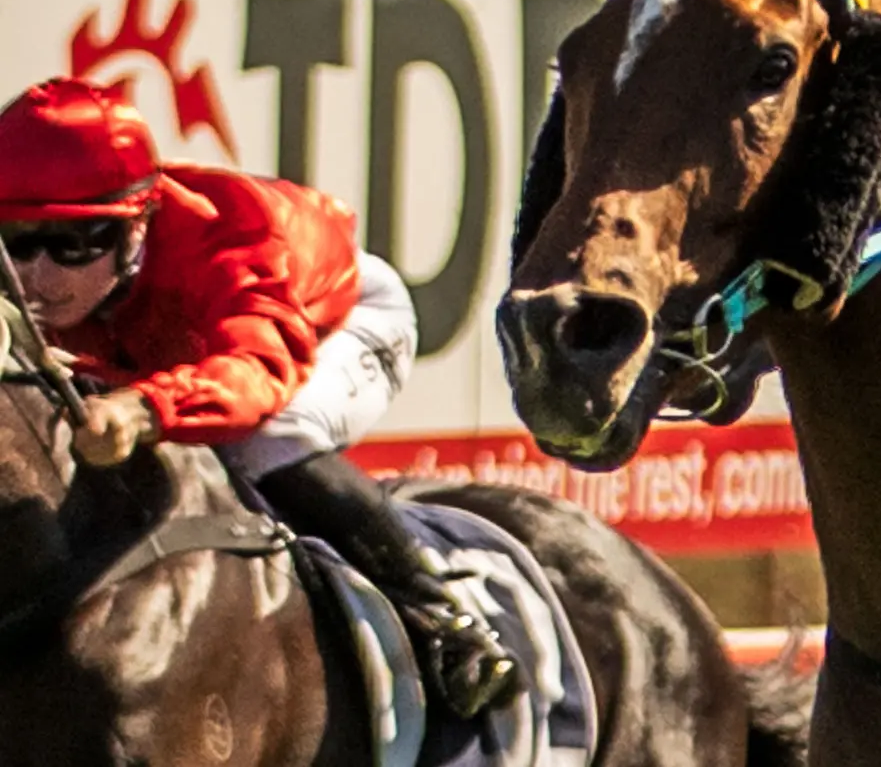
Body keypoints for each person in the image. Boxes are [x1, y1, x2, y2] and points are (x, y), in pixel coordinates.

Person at [0, 78, 520, 717]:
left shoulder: (227, 238)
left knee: (266, 438)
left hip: (332, 322)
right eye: (18, 240)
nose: (39, 278)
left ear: (140, 222)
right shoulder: (49, 278)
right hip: (163, 350)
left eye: (77, 244)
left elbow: (255, 373)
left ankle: (444, 622)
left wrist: (145, 409)